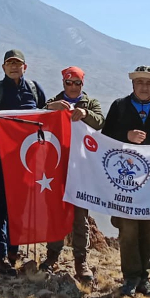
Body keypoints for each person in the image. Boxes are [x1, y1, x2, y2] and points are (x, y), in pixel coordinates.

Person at [102, 65, 150, 297]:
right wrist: (126, 136)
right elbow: (105, 139)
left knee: (149, 230)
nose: (144, 86)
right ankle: (131, 277)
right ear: (133, 84)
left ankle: (145, 277)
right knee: (128, 229)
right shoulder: (119, 106)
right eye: (140, 82)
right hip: (124, 182)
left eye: (149, 83)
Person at [0, 49, 47, 276]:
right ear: (3, 67)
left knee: (21, 204)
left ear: (25, 67)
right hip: (2, 156)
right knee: (1, 203)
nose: (13, 67)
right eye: (9, 63)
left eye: (17, 64)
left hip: (28, 158)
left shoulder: (34, 89)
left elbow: (44, 118)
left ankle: (14, 251)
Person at [41, 66, 104, 280]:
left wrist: (85, 114)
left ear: (82, 85)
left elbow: (100, 121)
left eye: (77, 83)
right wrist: (52, 107)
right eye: (69, 83)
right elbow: (38, 116)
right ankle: (52, 256)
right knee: (56, 214)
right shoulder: (55, 100)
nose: (73, 87)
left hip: (82, 167)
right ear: (63, 83)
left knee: (80, 217)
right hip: (57, 166)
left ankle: (81, 261)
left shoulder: (91, 103)